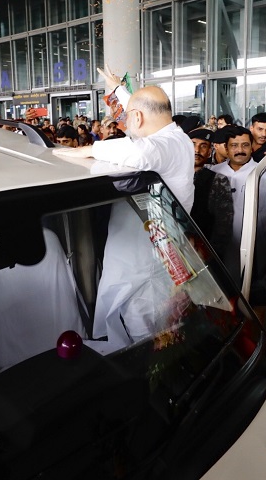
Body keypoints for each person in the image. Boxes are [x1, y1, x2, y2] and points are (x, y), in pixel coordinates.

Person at [53, 86, 194, 353]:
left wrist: (86, 150)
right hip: (144, 259)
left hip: (147, 272)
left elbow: (141, 150)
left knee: (147, 343)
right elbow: (144, 116)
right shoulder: (178, 138)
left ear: (138, 117)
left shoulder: (163, 146)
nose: (125, 125)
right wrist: (121, 91)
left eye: (127, 118)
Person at [211, 126, 257, 281]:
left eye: (245, 145)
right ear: (226, 148)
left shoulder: (264, 173)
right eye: (234, 145)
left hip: (252, 244)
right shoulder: (213, 172)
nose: (240, 150)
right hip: (218, 242)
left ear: (252, 147)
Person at [188, 127, 233, 259]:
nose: (197, 150)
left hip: (203, 251)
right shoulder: (172, 176)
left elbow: (223, 225)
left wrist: (211, 254)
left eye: (203, 146)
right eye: (193, 145)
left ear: (209, 152)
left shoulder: (217, 180)